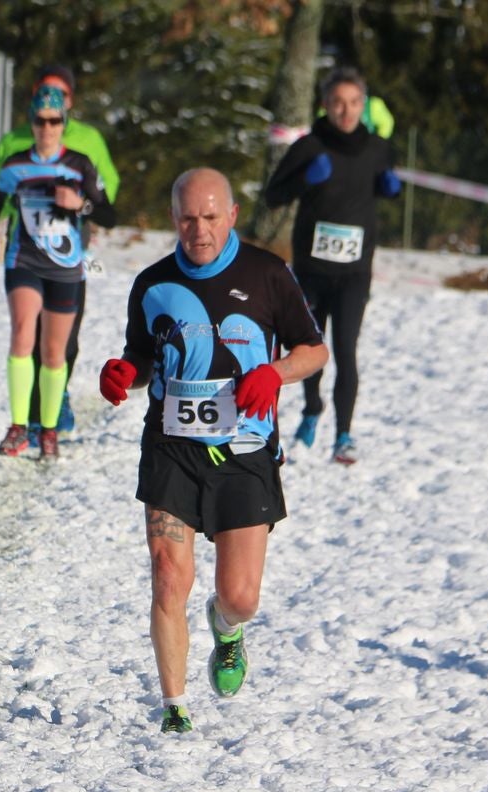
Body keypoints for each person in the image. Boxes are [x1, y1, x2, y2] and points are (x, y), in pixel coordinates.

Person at [98, 167, 328, 734]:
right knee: (167, 575)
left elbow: (314, 351)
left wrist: (273, 375)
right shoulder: (152, 284)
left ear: (231, 215)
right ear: (174, 218)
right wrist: (124, 372)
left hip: (245, 449)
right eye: (186, 219)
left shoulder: (269, 274)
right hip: (172, 446)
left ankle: (226, 630)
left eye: (208, 217)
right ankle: (174, 708)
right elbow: (142, 355)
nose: (198, 230)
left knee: (240, 596)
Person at [264, 66, 400, 464]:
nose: (346, 110)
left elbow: (380, 186)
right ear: (326, 105)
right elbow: (274, 196)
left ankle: (343, 434)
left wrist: (389, 188)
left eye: (354, 102)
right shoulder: (309, 147)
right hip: (311, 271)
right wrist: (306, 179)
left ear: (364, 105)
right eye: (338, 102)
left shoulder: (377, 149)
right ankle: (311, 409)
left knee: (346, 349)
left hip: (355, 272)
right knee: (309, 347)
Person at [0, 64, 120, 437]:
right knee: (25, 331)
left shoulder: (87, 144)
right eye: (40, 120)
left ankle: (56, 403)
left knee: (61, 340)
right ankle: (24, 420)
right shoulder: (13, 145)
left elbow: (109, 197)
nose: (47, 127)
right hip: (24, 252)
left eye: (55, 119)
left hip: (70, 253)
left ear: (67, 108)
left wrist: (82, 209)